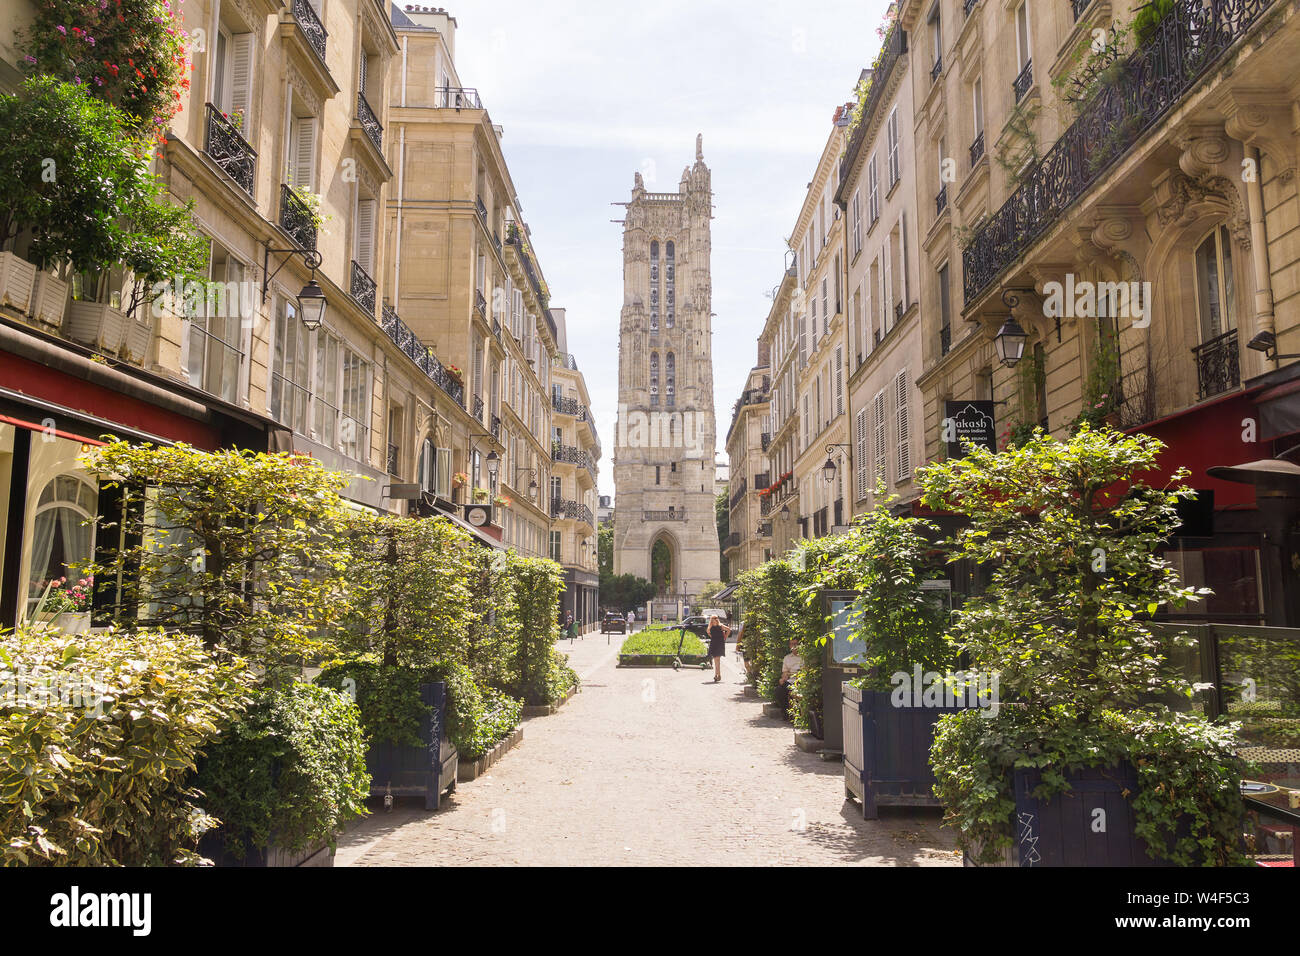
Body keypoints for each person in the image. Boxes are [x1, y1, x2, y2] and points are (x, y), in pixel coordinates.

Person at [774, 638, 802, 719]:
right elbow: (785, 672)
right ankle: (786, 713)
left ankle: (797, 714)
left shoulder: (804, 657)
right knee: (779, 690)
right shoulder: (787, 658)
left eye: (796, 644)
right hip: (790, 681)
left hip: (801, 680)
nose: (794, 646)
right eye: (792, 644)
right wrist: (783, 679)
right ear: (789, 646)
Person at [706, 614, 731, 683]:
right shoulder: (710, 627)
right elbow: (708, 633)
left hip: (719, 643)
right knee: (715, 660)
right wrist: (713, 637)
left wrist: (725, 637)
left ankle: (718, 675)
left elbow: (728, 630)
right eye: (713, 619)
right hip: (714, 643)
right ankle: (717, 675)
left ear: (717, 620)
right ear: (711, 620)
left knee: (717, 660)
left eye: (716, 619)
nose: (715, 620)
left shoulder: (721, 626)